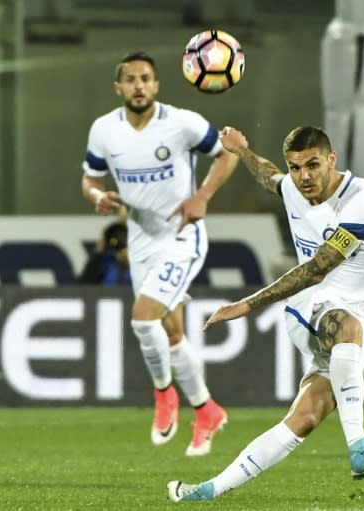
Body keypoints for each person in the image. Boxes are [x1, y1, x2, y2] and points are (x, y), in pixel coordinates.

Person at [167, 125, 364, 502]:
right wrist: (242, 151)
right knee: (344, 322)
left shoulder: (363, 199)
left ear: (332, 160)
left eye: (313, 165)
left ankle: (209, 490)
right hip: (311, 307)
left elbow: (318, 265)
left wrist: (246, 304)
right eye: (295, 167)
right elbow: (269, 175)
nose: (303, 177)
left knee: (304, 417)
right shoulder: (292, 185)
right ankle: (360, 448)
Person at [80, 51, 239, 456]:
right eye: (130, 79)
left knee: (142, 319)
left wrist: (202, 196)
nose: (138, 85)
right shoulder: (104, 131)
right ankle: (207, 410)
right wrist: (98, 196)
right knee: (170, 335)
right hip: (141, 238)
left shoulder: (182, 123)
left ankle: (163, 394)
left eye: (145, 78)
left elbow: (230, 151)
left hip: (182, 237)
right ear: (119, 87)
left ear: (156, 85)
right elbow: (89, 177)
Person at [78, 206, 132, 285]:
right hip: (107, 292)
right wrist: (101, 247)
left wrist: (129, 261)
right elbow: (85, 282)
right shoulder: (107, 254)